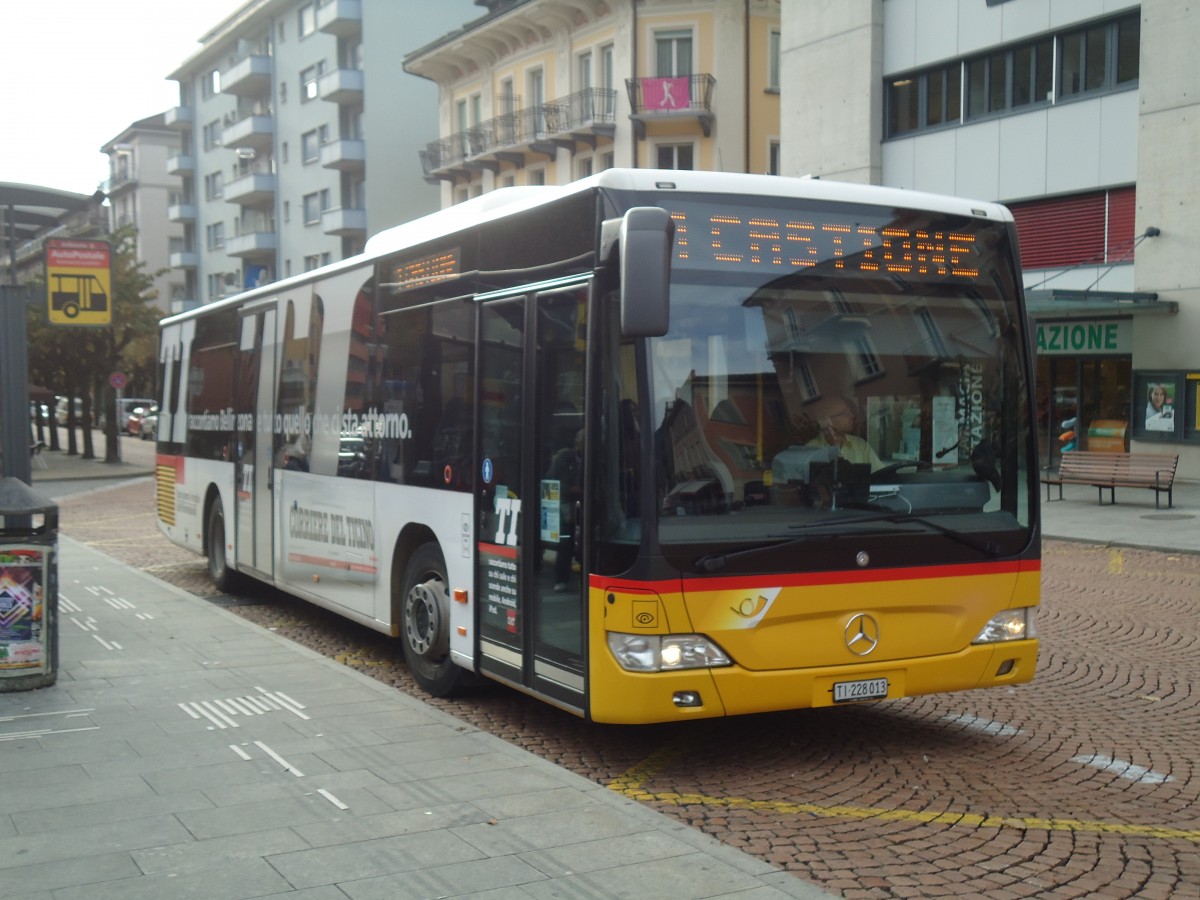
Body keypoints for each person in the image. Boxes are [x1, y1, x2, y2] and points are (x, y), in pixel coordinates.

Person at [545, 429, 584, 590]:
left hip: (586, 506)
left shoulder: (595, 458)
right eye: (583, 443)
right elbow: (552, 483)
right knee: (566, 542)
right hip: (565, 507)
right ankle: (561, 579)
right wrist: (573, 490)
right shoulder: (564, 458)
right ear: (577, 444)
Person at [806, 395, 883, 471]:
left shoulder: (860, 445)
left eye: (850, 411)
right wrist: (835, 449)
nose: (852, 416)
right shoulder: (810, 451)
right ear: (827, 421)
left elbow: (881, 475)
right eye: (845, 413)